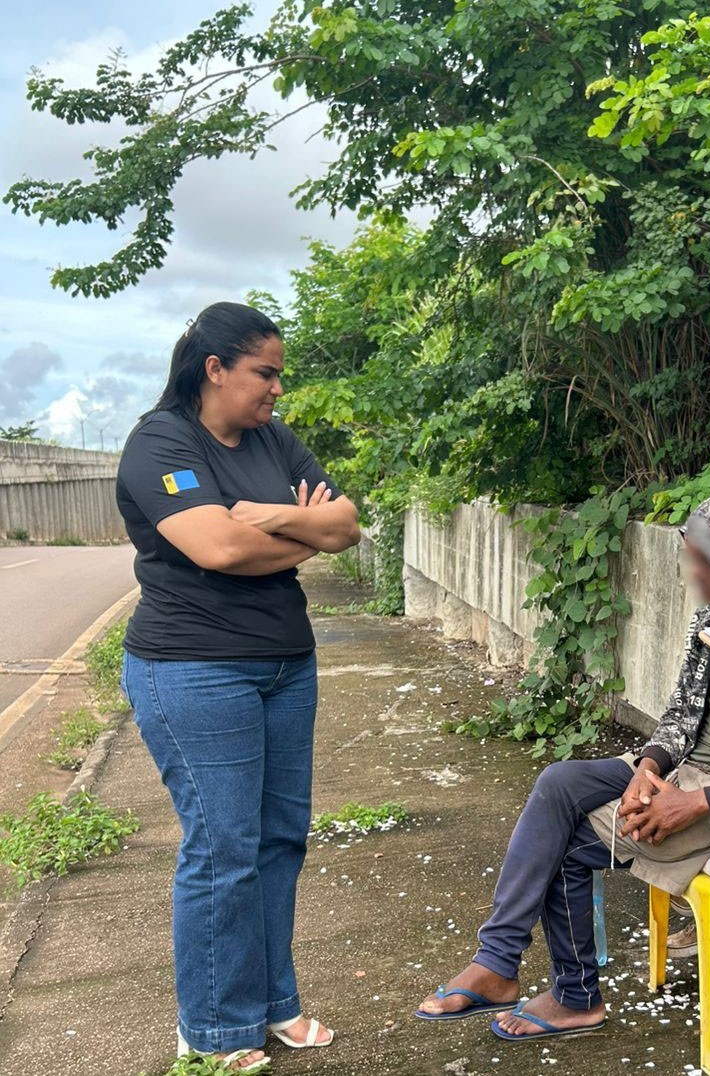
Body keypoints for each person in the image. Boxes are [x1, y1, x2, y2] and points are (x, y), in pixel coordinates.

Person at [416, 487, 710, 1040]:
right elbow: (681, 714)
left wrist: (696, 803)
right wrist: (648, 769)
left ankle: (570, 996)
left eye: (702, 559)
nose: (691, 571)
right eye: (688, 555)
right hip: (681, 774)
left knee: (564, 847)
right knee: (559, 782)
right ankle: (499, 961)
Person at [117, 302, 360, 1071]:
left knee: (280, 840)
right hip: (193, 667)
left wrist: (272, 517)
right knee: (224, 847)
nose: (277, 389)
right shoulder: (161, 442)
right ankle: (213, 1027)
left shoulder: (272, 439)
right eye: (265, 372)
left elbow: (348, 525)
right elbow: (218, 548)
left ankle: (273, 1003)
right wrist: (300, 531)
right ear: (215, 368)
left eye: (279, 375)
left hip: (286, 665)